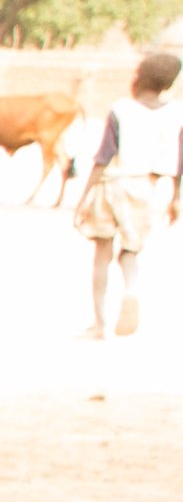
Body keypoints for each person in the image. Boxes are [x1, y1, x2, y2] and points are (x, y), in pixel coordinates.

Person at [80, 48, 176, 342]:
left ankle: (99, 325)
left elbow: (104, 155)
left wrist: (84, 196)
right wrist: (176, 198)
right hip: (148, 189)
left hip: (113, 185)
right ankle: (131, 290)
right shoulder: (177, 113)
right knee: (130, 252)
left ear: (140, 77)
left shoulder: (122, 109)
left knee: (101, 255)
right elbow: (179, 160)